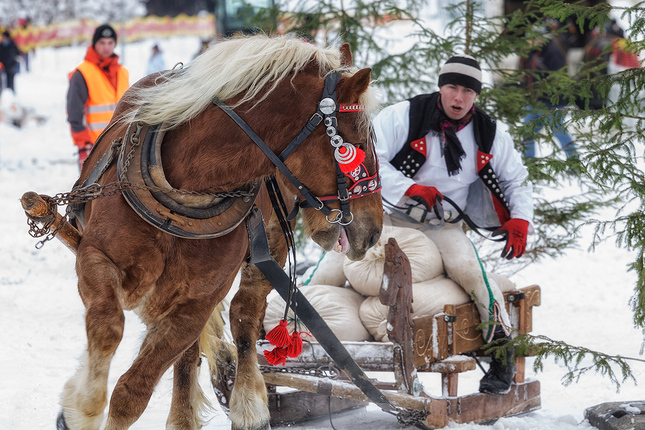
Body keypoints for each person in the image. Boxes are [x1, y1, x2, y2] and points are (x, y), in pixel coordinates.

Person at [373, 54, 534, 395]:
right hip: (390, 216)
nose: (458, 98)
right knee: (334, 270)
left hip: (441, 225)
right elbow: (371, 154)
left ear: (477, 95)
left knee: (472, 273)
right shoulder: (405, 115)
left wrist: (520, 219)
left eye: (467, 90)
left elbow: (516, 179)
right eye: (451, 87)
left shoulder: (489, 133)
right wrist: (410, 188)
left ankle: (501, 354)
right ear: (440, 87)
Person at [66, 24, 129, 169]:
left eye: (110, 43)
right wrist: (83, 146)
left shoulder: (123, 72)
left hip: (121, 145)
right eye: (102, 42)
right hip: (94, 147)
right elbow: (74, 113)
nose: (106, 47)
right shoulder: (82, 73)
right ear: (94, 44)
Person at [522, 21, 577, 160]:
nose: (527, 42)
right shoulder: (533, 53)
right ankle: (529, 162)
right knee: (527, 130)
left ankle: (574, 161)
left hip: (551, 102)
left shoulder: (553, 53)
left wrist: (552, 102)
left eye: (530, 39)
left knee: (559, 132)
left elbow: (558, 80)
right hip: (536, 102)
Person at [0, 30, 22, 95]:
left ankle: (11, 94)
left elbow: (17, 53)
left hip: (12, 66)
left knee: (11, 81)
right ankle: (5, 94)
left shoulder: (12, 44)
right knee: (4, 81)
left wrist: (16, 61)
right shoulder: (1, 45)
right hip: (3, 67)